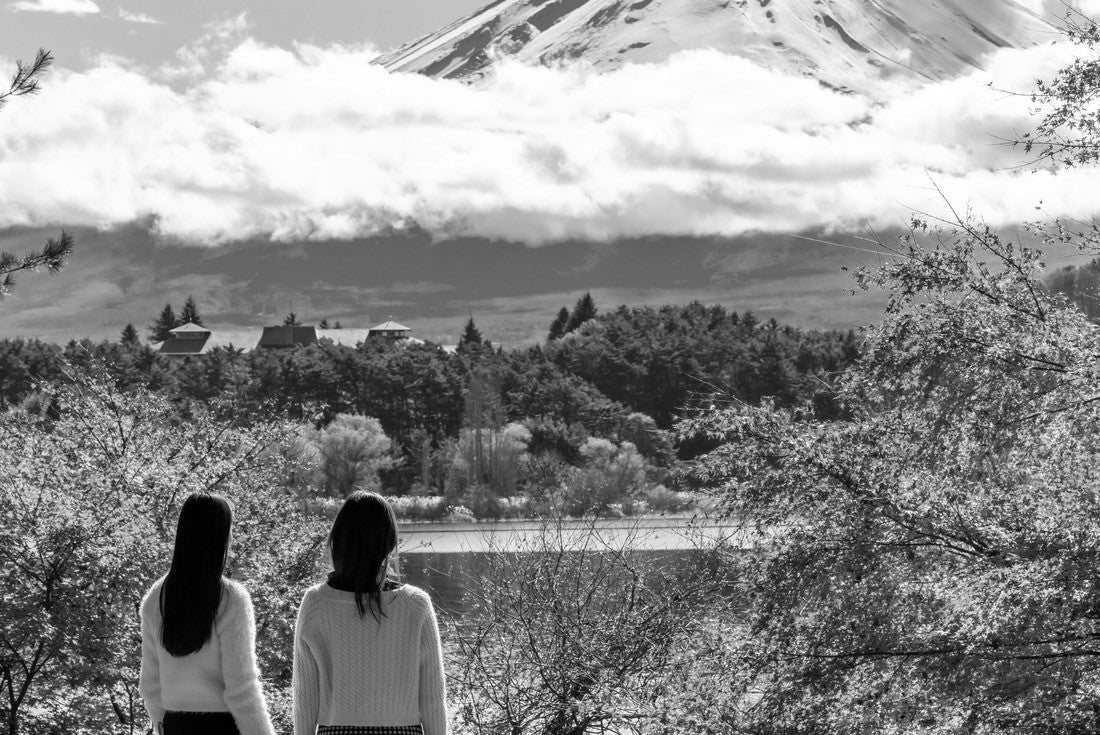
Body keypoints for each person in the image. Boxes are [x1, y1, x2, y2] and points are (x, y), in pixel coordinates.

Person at [293, 491, 447, 735]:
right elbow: (432, 699)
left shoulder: (316, 603)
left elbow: (305, 697)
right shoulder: (416, 604)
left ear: (339, 540)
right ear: (388, 543)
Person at [138, 492, 276, 735]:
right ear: (220, 536)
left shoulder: (155, 598)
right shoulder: (231, 598)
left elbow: (150, 687)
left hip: (175, 726)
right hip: (223, 727)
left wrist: (163, 725)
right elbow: (242, 689)